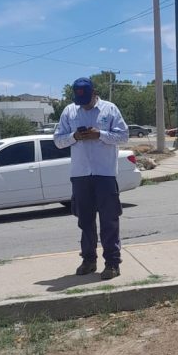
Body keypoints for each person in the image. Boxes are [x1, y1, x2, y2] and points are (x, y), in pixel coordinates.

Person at [54, 77, 129, 280]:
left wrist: (100, 135)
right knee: (85, 221)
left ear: (94, 93)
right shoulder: (70, 111)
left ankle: (112, 263)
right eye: (79, 101)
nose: (83, 105)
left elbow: (124, 136)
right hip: (80, 175)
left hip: (105, 173)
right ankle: (89, 260)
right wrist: (74, 137)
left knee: (109, 220)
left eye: (86, 100)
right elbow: (58, 141)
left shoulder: (109, 109)